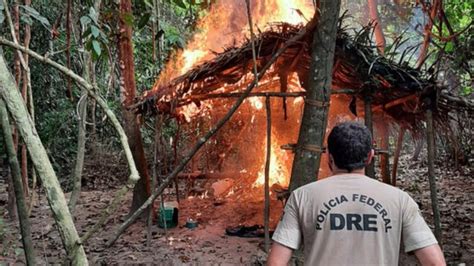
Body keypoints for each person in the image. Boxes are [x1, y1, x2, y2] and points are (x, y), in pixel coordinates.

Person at [268, 122, 445, 266]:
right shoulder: (400, 200)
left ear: (329, 156)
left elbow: (276, 263)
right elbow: (435, 263)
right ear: (370, 157)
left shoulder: (302, 197)